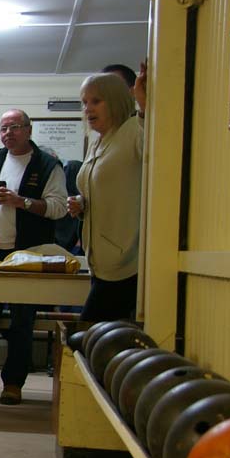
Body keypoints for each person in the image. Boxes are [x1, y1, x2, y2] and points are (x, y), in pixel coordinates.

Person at [0, 109, 67, 406]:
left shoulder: (48, 165)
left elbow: (58, 208)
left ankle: (13, 383)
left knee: (22, 320)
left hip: (28, 254)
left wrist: (22, 202)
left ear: (29, 130)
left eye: (15, 127)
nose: (8, 133)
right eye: (4, 128)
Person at [67, 66, 146, 322]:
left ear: (116, 100)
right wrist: (82, 203)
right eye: (85, 102)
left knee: (88, 333)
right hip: (99, 260)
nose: (88, 109)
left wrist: (145, 106)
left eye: (96, 101)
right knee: (97, 335)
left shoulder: (134, 130)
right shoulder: (99, 141)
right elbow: (104, 186)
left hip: (126, 261)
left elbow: (157, 142)